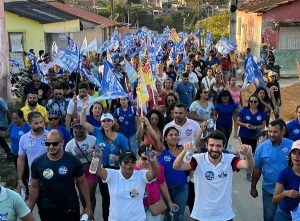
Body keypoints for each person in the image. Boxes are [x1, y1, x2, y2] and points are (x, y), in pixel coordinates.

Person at [173, 130, 254, 221]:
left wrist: (249, 156)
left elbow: (248, 165)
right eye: (211, 145)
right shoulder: (197, 159)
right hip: (202, 215)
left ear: (224, 146)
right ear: (206, 145)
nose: (215, 149)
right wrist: (184, 151)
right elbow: (176, 166)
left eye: (218, 146)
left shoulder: (230, 159)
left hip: (224, 215)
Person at [28, 130, 93, 221]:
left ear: (62, 142)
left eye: (54, 144)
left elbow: (82, 182)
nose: (51, 147)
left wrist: (88, 206)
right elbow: (34, 187)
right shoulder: (37, 163)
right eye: (48, 143)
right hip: (47, 210)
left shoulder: (73, 161)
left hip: (70, 209)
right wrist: (28, 210)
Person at [80, 104, 129, 221]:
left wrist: (119, 158)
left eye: (108, 121)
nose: (106, 123)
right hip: (102, 169)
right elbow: (83, 123)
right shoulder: (97, 132)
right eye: (104, 121)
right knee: (106, 197)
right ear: (101, 123)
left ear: (112, 123)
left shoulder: (121, 137)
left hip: (117, 170)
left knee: (117, 196)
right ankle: (107, 218)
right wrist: (83, 109)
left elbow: (128, 154)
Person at [92, 149, 159, 221]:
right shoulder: (112, 174)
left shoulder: (141, 175)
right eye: (126, 161)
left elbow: (154, 174)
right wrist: (96, 158)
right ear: (120, 164)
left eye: (132, 161)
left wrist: (153, 162)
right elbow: (94, 170)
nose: (130, 164)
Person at [251, 119, 293, 221]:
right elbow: (257, 169)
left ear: (283, 131)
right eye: (269, 131)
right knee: (269, 218)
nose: (271, 134)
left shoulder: (292, 146)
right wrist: (253, 187)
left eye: (275, 132)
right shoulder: (261, 148)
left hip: (289, 192)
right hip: (269, 191)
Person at [135, 144, 175, 221]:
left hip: (154, 203)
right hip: (137, 205)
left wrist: (170, 202)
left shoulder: (158, 167)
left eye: (151, 158)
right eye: (144, 158)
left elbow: (162, 184)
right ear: (138, 157)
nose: (148, 162)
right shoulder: (132, 169)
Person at [65, 120, 97, 212]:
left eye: (81, 127)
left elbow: (98, 154)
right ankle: (86, 211)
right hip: (78, 171)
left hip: (91, 168)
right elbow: (68, 161)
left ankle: (90, 213)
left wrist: (94, 168)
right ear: (73, 129)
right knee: (83, 195)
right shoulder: (69, 145)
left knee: (90, 193)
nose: (78, 130)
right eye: (76, 128)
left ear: (85, 128)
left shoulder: (93, 139)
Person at [158, 127, 189, 221]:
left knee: (178, 216)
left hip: (181, 188)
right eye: (170, 135)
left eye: (176, 134)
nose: (174, 137)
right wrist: (147, 123)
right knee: (166, 216)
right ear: (165, 138)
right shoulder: (160, 150)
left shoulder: (184, 150)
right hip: (164, 188)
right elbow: (154, 137)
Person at [17, 112, 49, 192]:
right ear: (29, 124)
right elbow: (21, 160)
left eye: (41, 122)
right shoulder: (24, 139)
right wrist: (20, 180)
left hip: (50, 178)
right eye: (36, 123)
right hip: (34, 180)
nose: (40, 125)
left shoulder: (50, 136)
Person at [0, 110, 31, 193]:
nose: (14, 120)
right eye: (13, 118)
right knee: (20, 173)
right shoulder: (12, 125)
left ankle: (31, 189)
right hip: (15, 155)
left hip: (26, 155)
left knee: (28, 172)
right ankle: (25, 191)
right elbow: (6, 135)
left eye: (16, 118)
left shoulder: (27, 126)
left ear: (22, 118)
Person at [272, 140, 300, 221]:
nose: (296, 156)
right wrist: (285, 193)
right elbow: (274, 200)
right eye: (294, 153)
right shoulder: (284, 174)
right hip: (284, 214)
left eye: (299, 153)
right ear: (290, 154)